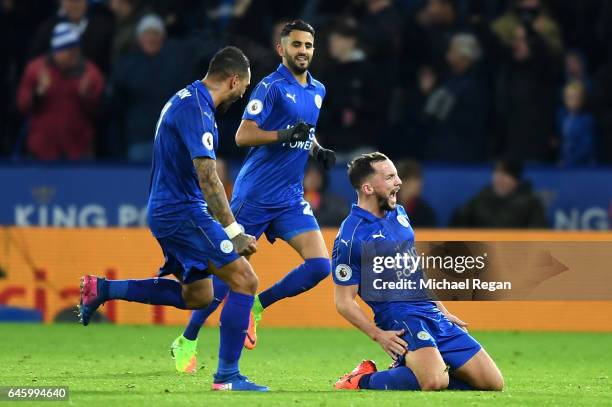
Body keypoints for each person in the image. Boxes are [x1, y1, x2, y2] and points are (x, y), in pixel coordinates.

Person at [78, 46, 269, 391]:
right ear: (233, 79)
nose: (242, 95)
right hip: (182, 210)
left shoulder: (186, 99)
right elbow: (208, 176)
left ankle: (102, 289)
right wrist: (234, 231)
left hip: (169, 210)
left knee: (197, 296)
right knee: (245, 280)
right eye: (244, 87)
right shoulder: (197, 109)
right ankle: (227, 377)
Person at [170, 19, 336, 373]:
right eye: (296, 45)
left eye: (308, 45)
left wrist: (316, 149)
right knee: (222, 280)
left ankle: (258, 305)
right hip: (255, 195)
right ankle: (187, 338)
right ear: (282, 49)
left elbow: (303, 134)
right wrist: (285, 135)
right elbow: (244, 136)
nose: (303, 51)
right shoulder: (270, 87)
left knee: (321, 266)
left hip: (290, 197)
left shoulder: (318, 90)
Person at [332, 152, 503, 391]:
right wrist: (378, 335)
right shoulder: (351, 236)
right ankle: (359, 380)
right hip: (399, 317)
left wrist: (442, 310)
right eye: (390, 177)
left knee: (492, 383)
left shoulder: (399, 213)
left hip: (428, 311)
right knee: (435, 381)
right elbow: (343, 302)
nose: (399, 182)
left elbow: (414, 269)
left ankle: (413, 370)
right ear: (368, 188)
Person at [17, 22, 104, 160]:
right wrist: (38, 93)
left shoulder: (90, 73)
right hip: (41, 151)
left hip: (78, 152)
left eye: (76, 49)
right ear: (57, 50)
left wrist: (86, 97)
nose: (74, 55)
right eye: (69, 50)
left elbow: (100, 112)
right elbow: (22, 106)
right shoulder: (36, 70)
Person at [451, 160, 548, 228]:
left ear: (516, 180)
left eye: (505, 174)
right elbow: (460, 223)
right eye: (497, 173)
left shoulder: (531, 204)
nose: (499, 179)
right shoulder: (481, 198)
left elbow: (538, 235)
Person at [556, 81, 595, 166]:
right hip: (563, 163)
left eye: (575, 97)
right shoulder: (561, 116)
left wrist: (569, 162)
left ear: (582, 99)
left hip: (582, 166)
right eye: (569, 97)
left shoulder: (586, 120)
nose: (572, 101)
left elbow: (586, 147)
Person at [396, 159, 437, 227]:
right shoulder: (385, 207)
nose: (420, 184)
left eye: (419, 179)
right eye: (414, 179)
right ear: (402, 182)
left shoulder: (425, 212)